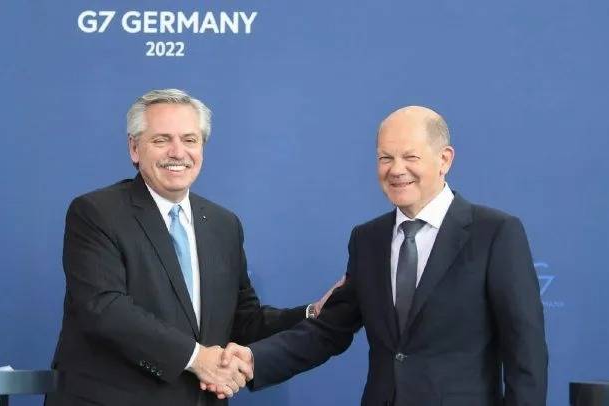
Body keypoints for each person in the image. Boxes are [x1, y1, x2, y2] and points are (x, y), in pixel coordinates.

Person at [217, 106, 548, 405]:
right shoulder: (368, 239)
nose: (396, 169)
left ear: (445, 159)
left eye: (410, 157)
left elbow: (526, 352)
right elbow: (329, 329)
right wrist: (254, 359)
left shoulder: (494, 233)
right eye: (385, 158)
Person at [46, 89, 340, 406]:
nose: (178, 152)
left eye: (190, 139)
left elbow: (244, 322)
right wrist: (197, 358)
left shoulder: (223, 225)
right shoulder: (97, 212)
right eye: (161, 140)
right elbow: (104, 309)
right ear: (134, 148)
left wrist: (311, 313)